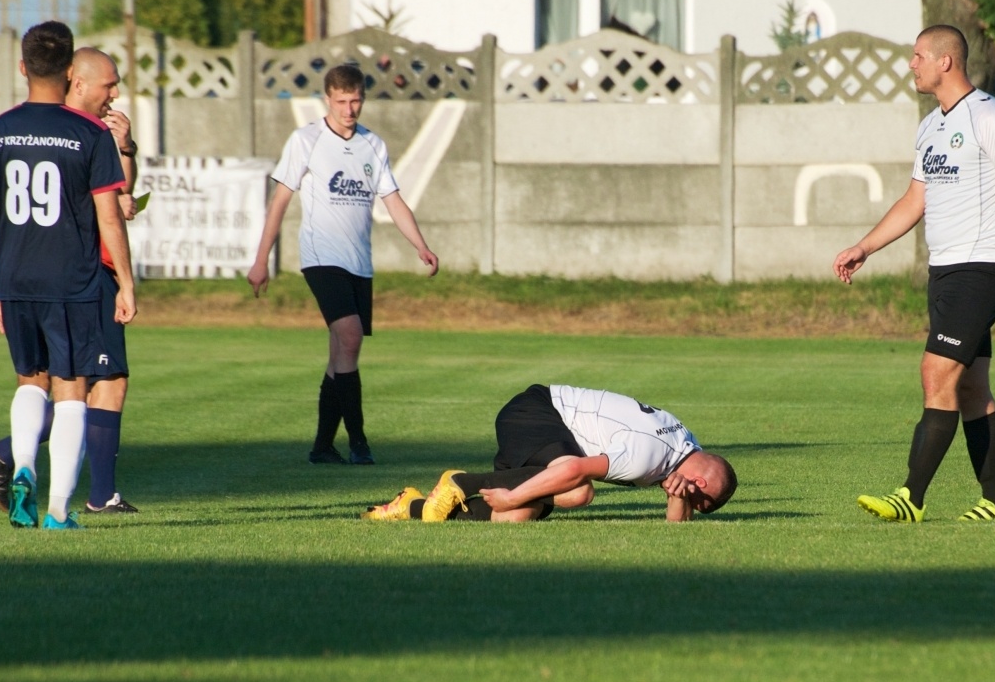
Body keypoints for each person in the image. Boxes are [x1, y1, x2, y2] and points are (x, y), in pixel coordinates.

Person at [832, 24, 995, 523]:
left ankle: (910, 496)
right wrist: (865, 246)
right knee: (972, 388)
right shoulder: (930, 126)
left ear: (945, 62)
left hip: (984, 267)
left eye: (917, 56)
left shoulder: (993, 117)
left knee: (935, 372)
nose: (911, 64)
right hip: (947, 271)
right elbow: (915, 199)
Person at [0, 21, 134, 529]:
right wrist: (125, 281)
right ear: (68, 72)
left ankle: (21, 471)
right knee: (71, 387)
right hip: (73, 279)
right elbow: (110, 214)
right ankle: (59, 509)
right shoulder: (89, 133)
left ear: (22, 68)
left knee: (29, 382)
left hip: (15, 277)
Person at [247, 63, 438, 465]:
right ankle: (359, 443)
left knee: (341, 355)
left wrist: (420, 245)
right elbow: (280, 200)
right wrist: (261, 259)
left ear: (363, 99)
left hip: (359, 264)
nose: (349, 109)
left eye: (355, 101)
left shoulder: (374, 145)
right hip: (321, 258)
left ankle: (321, 447)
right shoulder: (307, 140)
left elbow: (393, 200)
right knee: (349, 337)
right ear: (327, 99)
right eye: (341, 101)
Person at [363, 383, 737, 522]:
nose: (689, 503)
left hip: (548, 433)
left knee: (514, 518)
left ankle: (412, 506)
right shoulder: (651, 454)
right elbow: (574, 467)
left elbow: (676, 527)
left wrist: (680, 500)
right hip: (537, 411)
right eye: (697, 501)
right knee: (577, 490)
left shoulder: (685, 448)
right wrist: (511, 494)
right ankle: (460, 481)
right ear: (699, 481)